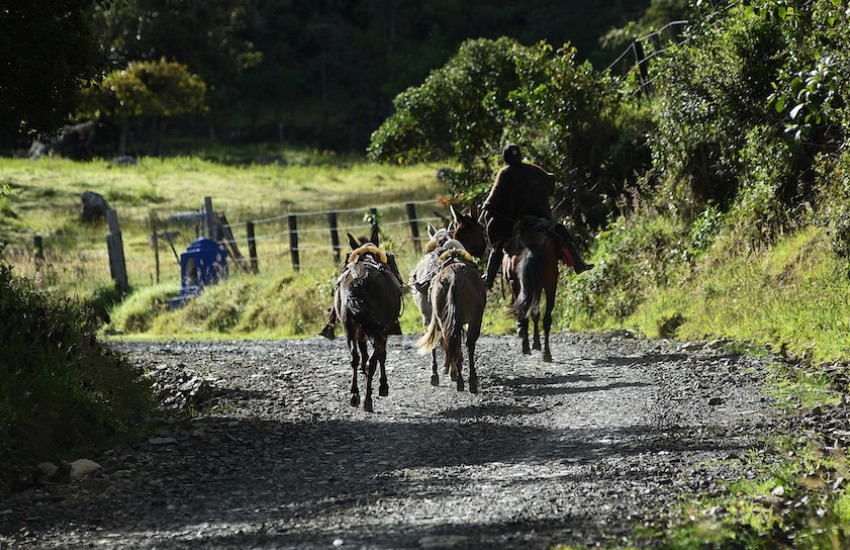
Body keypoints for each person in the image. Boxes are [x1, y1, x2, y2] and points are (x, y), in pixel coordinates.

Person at [481, 143, 594, 289]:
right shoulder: (533, 170)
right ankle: (578, 264)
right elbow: (551, 180)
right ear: (520, 157)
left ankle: (488, 280)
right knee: (561, 233)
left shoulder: (505, 173)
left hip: (513, 223)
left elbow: (492, 199)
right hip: (539, 219)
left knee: (498, 248)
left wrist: (488, 205)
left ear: (505, 159)